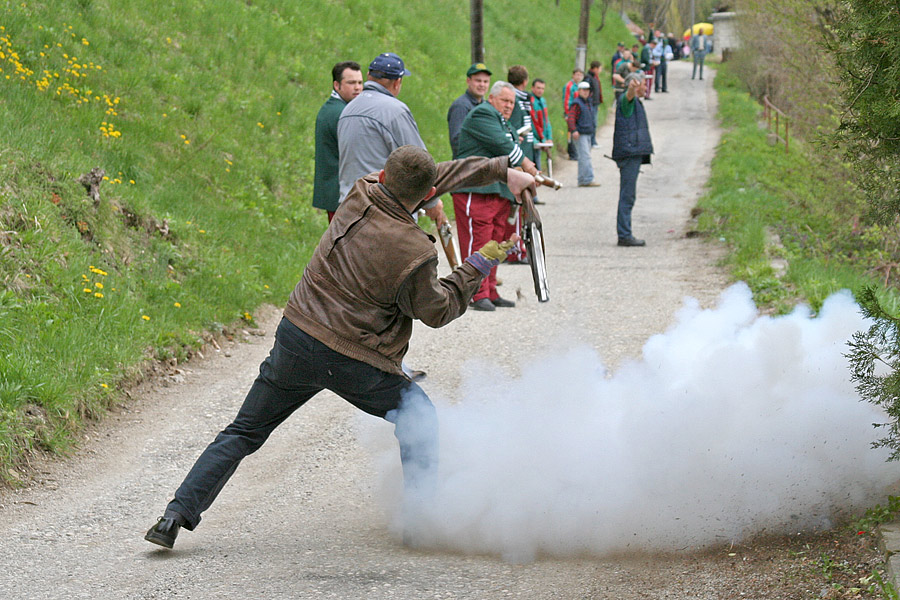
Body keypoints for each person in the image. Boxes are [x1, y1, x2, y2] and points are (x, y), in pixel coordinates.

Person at [144, 145, 537, 549]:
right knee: (419, 418)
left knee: (243, 431)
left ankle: (174, 515)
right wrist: (478, 264)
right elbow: (436, 311)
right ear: (428, 194)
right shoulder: (416, 252)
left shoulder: (361, 190)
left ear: (385, 176)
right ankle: (420, 523)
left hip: (298, 336)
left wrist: (500, 171)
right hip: (356, 360)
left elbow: (434, 175)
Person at [452, 81, 539, 311]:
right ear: (492, 99)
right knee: (478, 242)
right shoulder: (483, 113)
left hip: (496, 190)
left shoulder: (502, 121)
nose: (509, 106)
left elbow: (508, 145)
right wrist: (526, 163)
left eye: (512, 102)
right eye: (504, 100)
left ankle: (489, 289)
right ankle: (474, 293)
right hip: (476, 188)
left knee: (497, 241)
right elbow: (504, 146)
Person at [337, 52, 448, 229]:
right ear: (397, 82)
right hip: (385, 213)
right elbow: (419, 163)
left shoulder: (348, 109)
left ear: (368, 77)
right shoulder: (395, 111)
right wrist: (432, 202)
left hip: (348, 209)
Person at [313, 61, 363, 222]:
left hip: (338, 194)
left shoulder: (335, 108)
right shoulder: (341, 114)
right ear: (337, 85)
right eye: (351, 83)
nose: (357, 88)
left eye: (360, 82)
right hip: (341, 196)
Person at [612, 73, 654, 247]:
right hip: (629, 153)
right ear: (635, 86)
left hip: (632, 153)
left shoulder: (635, 102)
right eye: (644, 85)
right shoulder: (627, 101)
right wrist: (631, 89)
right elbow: (628, 96)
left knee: (628, 195)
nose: (646, 88)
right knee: (627, 196)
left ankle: (625, 232)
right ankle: (624, 234)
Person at [505, 65, 534, 263]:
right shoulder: (515, 102)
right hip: (517, 160)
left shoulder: (523, 100)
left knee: (520, 206)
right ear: (524, 81)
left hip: (523, 156)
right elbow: (511, 130)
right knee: (514, 207)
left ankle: (517, 247)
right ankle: (514, 249)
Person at [447, 63, 491, 159]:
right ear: (468, 81)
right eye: (478, 81)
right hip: (466, 166)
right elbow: (456, 141)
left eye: (485, 81)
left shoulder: (486, 106)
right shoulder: (461, 106)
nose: (482, 85)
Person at [567, 81, 598, 187]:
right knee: (585, 157)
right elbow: (570, 118)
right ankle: (587, 179)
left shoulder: (587, 102)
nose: (586, 92)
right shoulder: (577, 103)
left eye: (587, 90)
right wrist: (574, 130)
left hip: (587, 133)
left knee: (584, 157)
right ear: (579, 91)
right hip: (580, 133)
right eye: (583, 90)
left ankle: (583, 179)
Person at [529, 78, 552, 172]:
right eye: (538, 88)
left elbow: (546, 121)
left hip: (541, 140)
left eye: (542, 88)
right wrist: (541, 140)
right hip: (533, 141)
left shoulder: (542, 101)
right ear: (532, 88)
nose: (540, 90)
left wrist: (549, 138)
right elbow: (533, 124)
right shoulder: (531, 101)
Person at [562, 68, 585, 160]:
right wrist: (568, 114)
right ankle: (572, 154)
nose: (578, 77)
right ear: (573, 75)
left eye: (580, 75)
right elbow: (567, 101)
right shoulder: (569, 86)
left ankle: (576, 152)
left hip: (577, 115)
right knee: (571, 133)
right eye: (577, 74)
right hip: (571, 114)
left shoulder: (579, 86)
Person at [586, 61, 604, 148]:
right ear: (595, 68)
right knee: (592, 123)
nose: (600, 70)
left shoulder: (595, 77)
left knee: (594, 123)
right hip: (591, 104)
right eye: (600, 68)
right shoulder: (589, 78)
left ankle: (593, 141)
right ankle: (591, 142)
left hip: (595, 104)